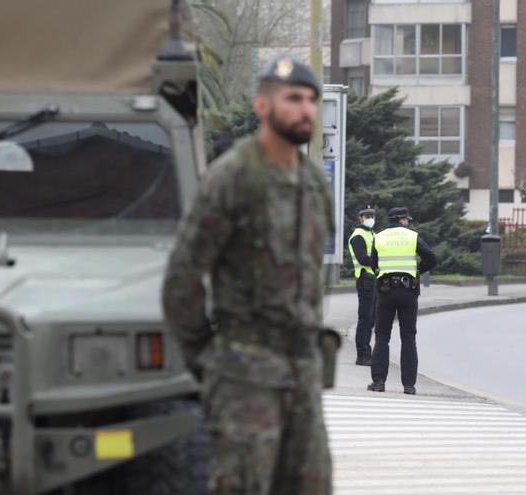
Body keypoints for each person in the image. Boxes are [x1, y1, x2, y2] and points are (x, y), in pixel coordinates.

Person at [161, 55, 334, 494]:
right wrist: (209, 357)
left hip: (303, 375)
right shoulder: (233, 178)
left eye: (312, 100)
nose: (305, 110)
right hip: (245, 378)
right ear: (263, 106)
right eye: (293, 99)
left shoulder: (313, 183)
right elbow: (182, 278)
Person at [367, 207, 437, 395]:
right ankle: (409, 385)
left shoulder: (379, 237)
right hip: (408, 292)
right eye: (407, 220)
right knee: (408, 338)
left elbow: (373, 264)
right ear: (402, 220)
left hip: (385, 292)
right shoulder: (412, 236)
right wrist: (417, 270)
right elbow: (431, 257)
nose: (409, 223)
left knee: (382, 337)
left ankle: (379, 382)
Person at [348, 205, 378, 365]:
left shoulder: (373, 234)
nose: (370, 218)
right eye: (366, 216)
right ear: (360, 218)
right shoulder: (358, 236)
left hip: (374, 279)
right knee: (365, 318)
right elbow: (363, 259)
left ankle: (367, 352)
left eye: (372, 215)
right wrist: (378, 261)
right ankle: (362, 355)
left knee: (372, 318)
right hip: (365, 279)